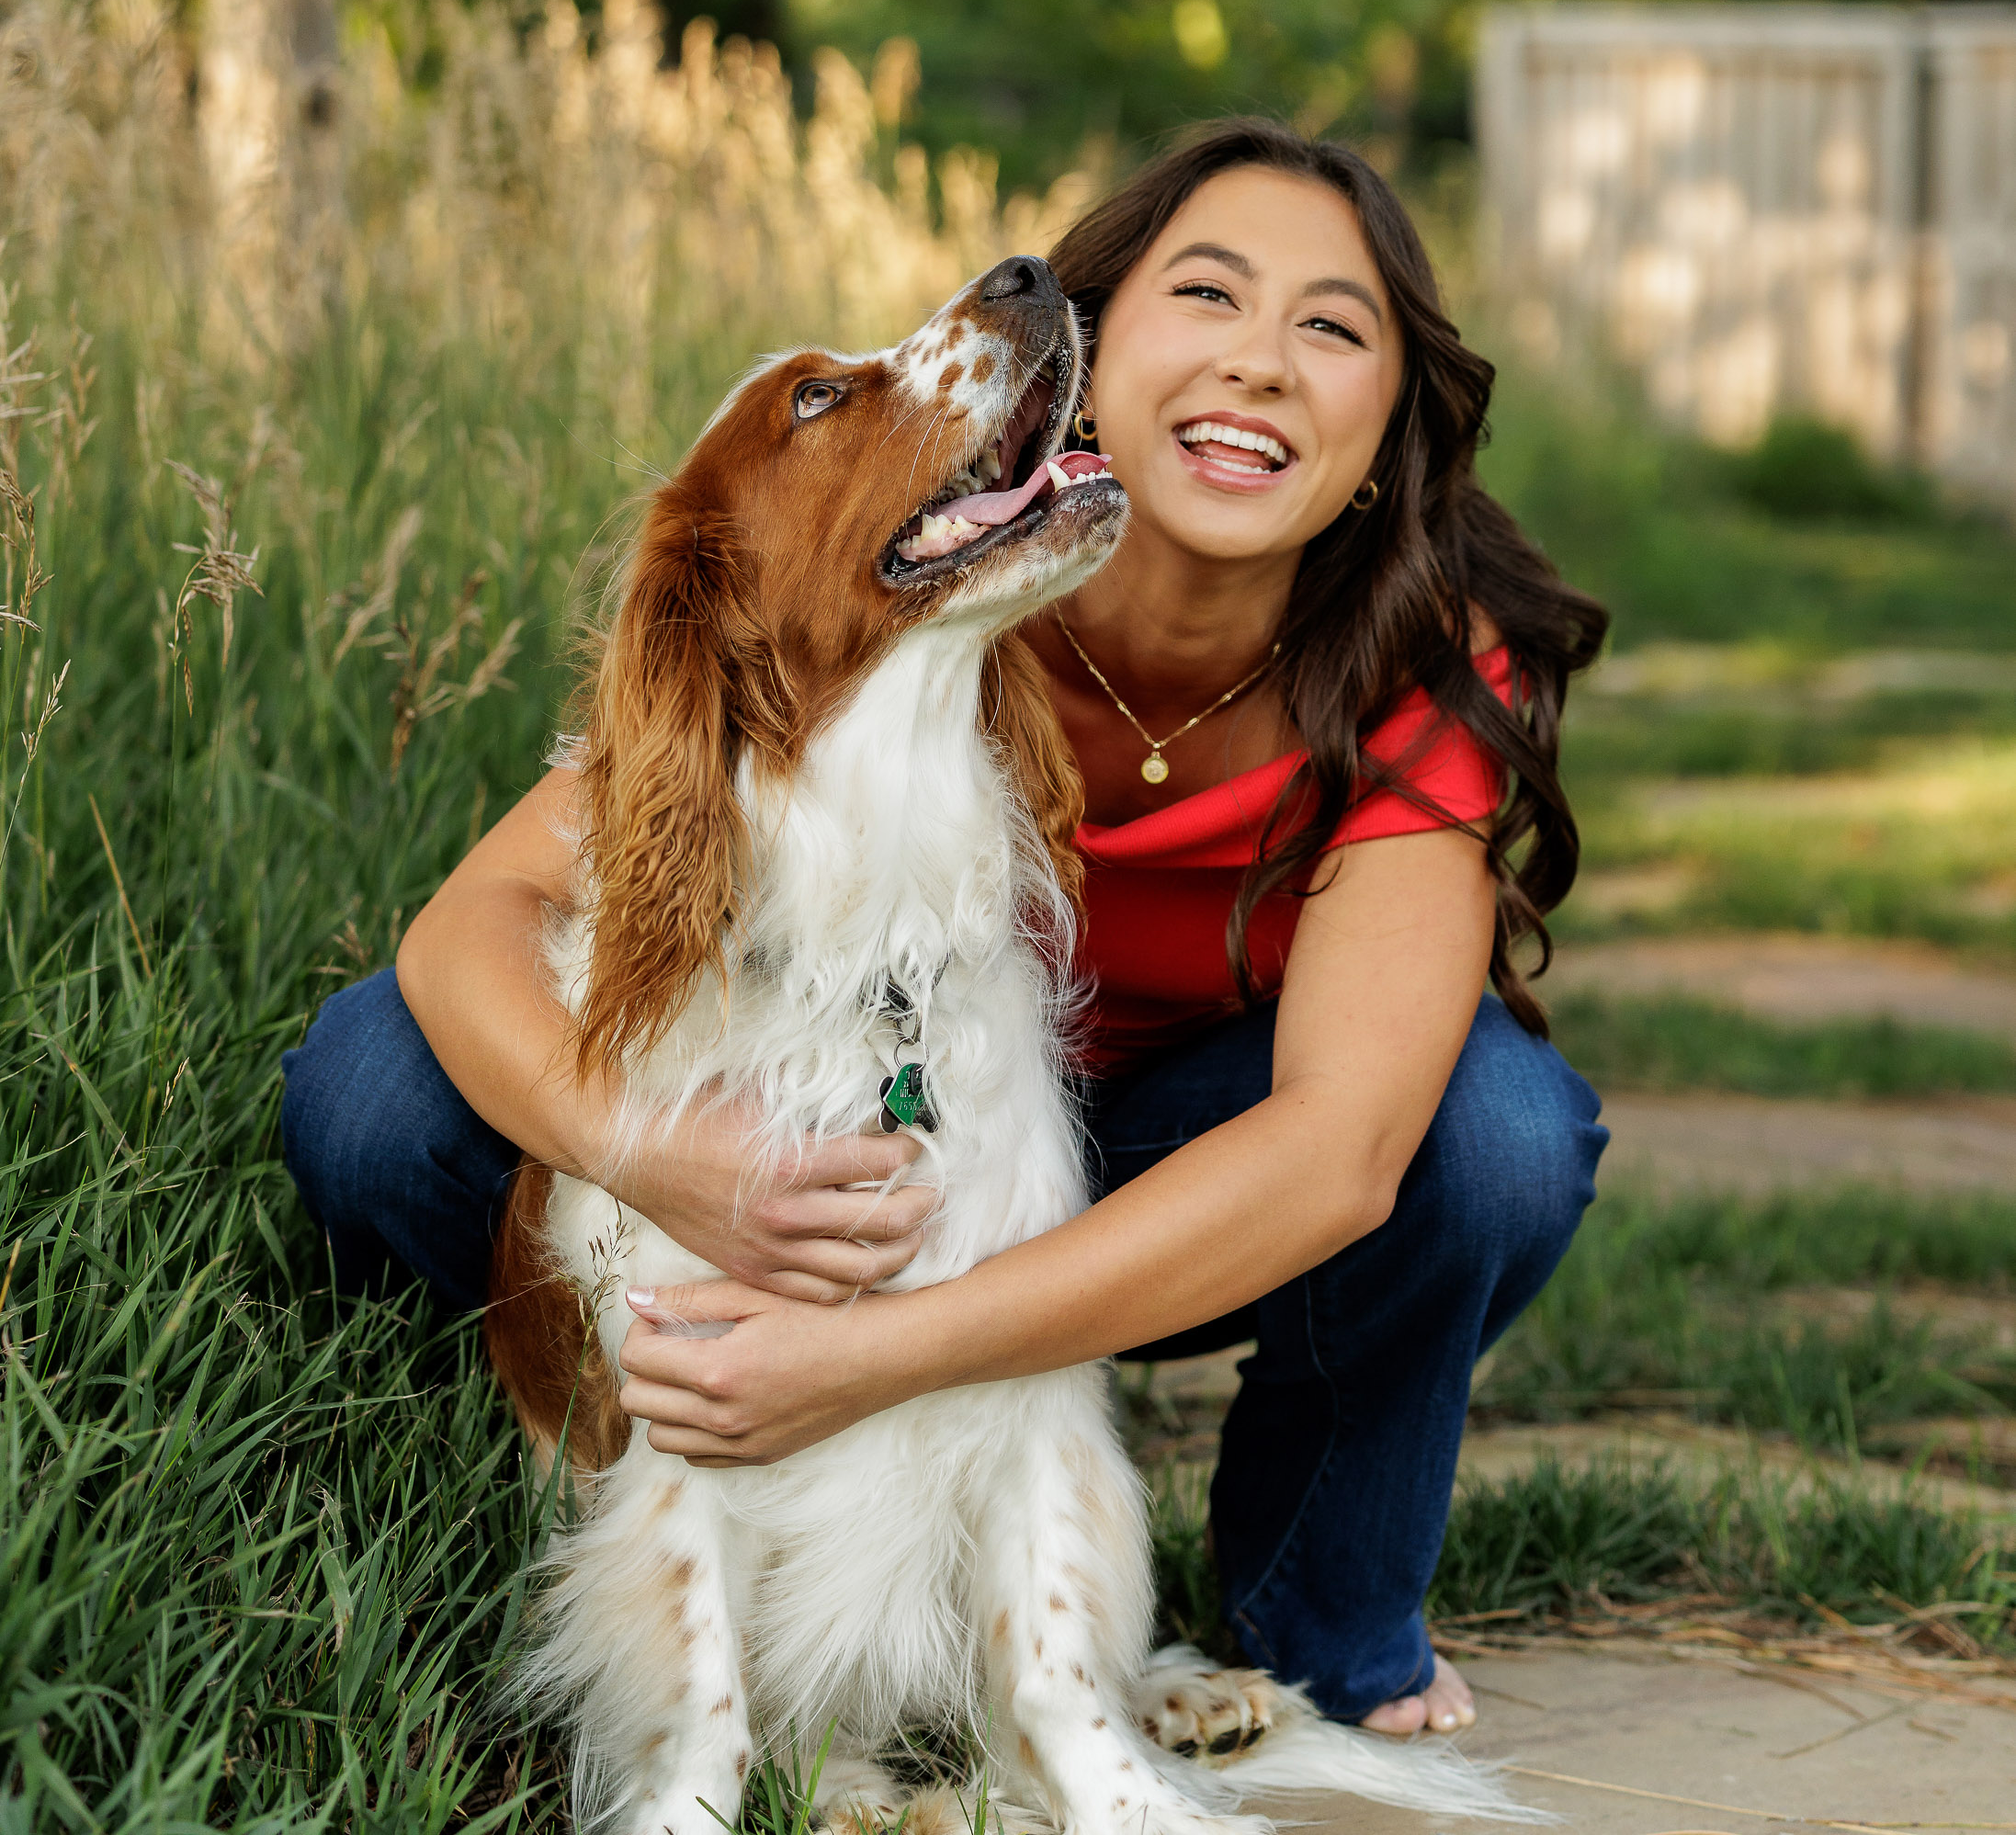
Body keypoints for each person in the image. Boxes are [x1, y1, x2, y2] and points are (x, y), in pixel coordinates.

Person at [283, 119, 1609, 1739]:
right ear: (1088, 344)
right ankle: (565, 1482)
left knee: (1495, 1133)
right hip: (859, 1144)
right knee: (372, 1086)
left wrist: (877, 1356)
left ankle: (1319, 1621)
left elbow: (1338, 1150)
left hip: (1184, 1165)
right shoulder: (931, 558)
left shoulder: (1425, 660)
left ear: (1387, 427)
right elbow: (471, 921)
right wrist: (656, 1155)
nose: (1262, 363)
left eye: (1332, 329)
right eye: (1210, 294)